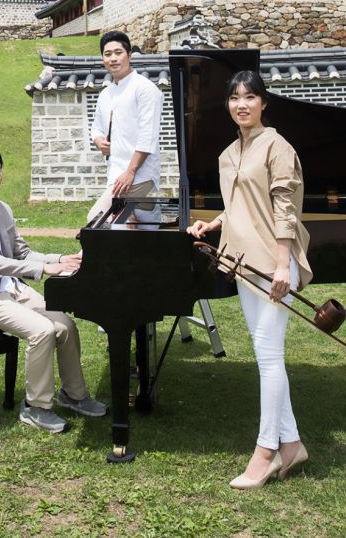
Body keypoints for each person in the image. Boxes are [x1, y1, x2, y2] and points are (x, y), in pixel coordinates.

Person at [187, 69, 312, 488]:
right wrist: (212, 224)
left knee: (270, 355)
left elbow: (285, 211)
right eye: (235, 98)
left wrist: (282, 265)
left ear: (264, 102)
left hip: (273, 264)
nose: (242, 104)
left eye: (250, 97)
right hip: (241, 262)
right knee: (264, 354)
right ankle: (292, 444)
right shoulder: (228, 154)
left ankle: (266, 453)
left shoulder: (278, 146)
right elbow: (239, 205)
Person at [0, 143, 106, 433]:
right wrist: (42, 269)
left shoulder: (2, 209)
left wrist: (59, 259)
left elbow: (22, 252)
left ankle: (74, 395)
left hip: (14, 287)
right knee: (42, 331)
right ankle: (36, 407)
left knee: (65, 325)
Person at [88, 30, 163, 223]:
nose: (113, 58)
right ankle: (147, 220)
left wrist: (130, 172)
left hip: (139, 173)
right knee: (139, 225)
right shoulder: (105, 94)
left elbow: (148, 136)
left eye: (118, 52)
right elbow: (96, 128)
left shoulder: (145, 88)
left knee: (98, 219)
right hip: (115, 171)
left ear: (128, 55)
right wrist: (99, 141)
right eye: (108, 54)